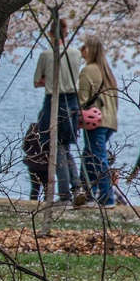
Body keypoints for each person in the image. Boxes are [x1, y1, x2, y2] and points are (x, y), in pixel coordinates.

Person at [33, 19, 82, 203]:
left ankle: (64, 194)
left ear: (51, 34)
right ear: (67, 33)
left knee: (57, 147)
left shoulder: (46, 55)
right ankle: (77, 186)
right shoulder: (77, 54)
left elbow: (37, 82)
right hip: (73, 102)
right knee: (66, 146)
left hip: (53, 100)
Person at [76, 34, 118, 208]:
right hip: (110, 121)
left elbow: (82, 100)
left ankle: (107, 198)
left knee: (99, 159)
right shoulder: (107, 72)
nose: (81, 50)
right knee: (89, 157)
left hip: (95, 121)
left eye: (83, 47)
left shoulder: (89, 70)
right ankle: (85, 194)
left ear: (90, 50)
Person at [22, 121, 49, 201]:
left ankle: (33, 202)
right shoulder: (51, 130)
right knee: (47, 187)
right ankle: (46, 203)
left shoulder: (33, 128)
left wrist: (30, 154)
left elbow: (25, 146)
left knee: (35, 187)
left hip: (32, 162)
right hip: (46, 163)